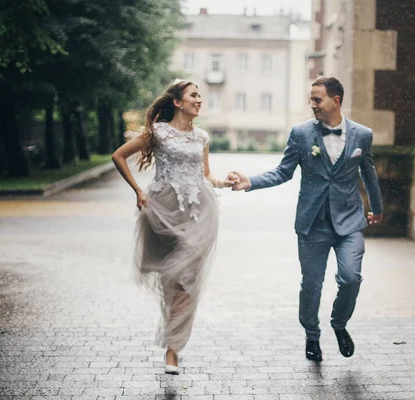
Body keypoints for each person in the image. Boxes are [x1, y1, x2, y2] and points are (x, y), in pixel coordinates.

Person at [228, 76, 383, 361]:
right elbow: (282, 172)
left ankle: (339, 324)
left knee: (351, 278)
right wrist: (250, 181)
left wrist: (377, 208)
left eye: (317, 99)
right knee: (311, 284)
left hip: (349, 222)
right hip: (313, 224)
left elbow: (369, 173)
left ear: (335, 101)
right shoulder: (301, 134)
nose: (312, 105)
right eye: (311, 99)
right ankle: (312, 334)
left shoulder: (362, 135)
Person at [111, 80, 233, 374]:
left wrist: (222, 182)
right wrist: (139, 192)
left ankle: (173, 350)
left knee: (187, 277)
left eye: (200, 96)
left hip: (198, 212)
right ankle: (173, 340)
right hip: (164, 210)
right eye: (194, 95)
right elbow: (118, 156)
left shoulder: (201, 137)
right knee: (172, 281)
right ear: (178, 102)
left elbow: (205, 174)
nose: (199, 100)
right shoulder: (159, 133)